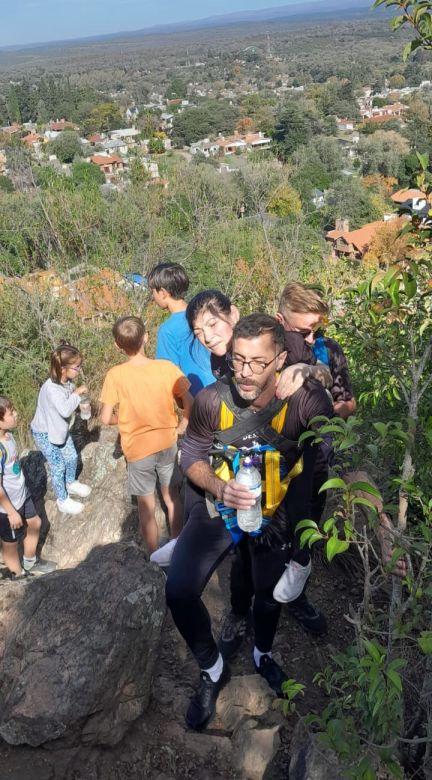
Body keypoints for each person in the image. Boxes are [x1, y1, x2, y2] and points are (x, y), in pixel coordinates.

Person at [166, 314, 333, 730]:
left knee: (268, 593)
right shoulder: (212, 400)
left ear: (280, 358)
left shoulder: (304, 399)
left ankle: (262, 653)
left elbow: (331, 446)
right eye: (239, 360)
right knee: (180, 590)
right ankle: (212, 667)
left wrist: (314, 371)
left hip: (274, 512)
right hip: (223, 505)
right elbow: (191, 455)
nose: (245, 372)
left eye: (258, 363)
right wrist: (217, 488)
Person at [186, 290, 330, 656]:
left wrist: (306, 370)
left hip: (299, 473)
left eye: (213, 324)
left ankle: (292, 598)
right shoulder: (224, 363)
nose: (208, 336)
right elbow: (198, 445)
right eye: (199, 331)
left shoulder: (273, 340)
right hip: (252, 477)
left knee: (297, 548)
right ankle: (238, 609)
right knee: (246, 557)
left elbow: (325, 377)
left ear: (233, 316)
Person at [99, 316, 193, 562]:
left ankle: (154, 557)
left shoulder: (115, 375)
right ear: (146, 338)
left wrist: (125, 419)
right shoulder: (165, 367)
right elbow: (189, 399)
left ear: (118, 346)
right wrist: (184, 422)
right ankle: (177, 547)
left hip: (137, 449)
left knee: (146, 505)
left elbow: (105, 417)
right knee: (172, 497)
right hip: (167, 442)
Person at [31, 344, 92, 516]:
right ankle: (62, 500)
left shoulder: (68, 382)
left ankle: (71, 483)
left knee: (72, 456)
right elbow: (65, 409)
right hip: (44, 432)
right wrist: (77, 394)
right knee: (57, 466)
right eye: (76, 367)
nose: (79, 370)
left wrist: (82, 403)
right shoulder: (51, 388)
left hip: (59, 429)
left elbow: (70, 403)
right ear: (63, 368)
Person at [0, 397, 56, 578]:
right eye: (10, 412)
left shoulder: (9, 436)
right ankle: (17, 576)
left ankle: (30, 562)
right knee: (10, 544)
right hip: (7, 507)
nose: (15, 414)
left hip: (22, 496)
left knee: (35, 523)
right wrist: (11, 512)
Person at [147, 263, 214, 396]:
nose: (152, 296)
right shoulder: (204, 314)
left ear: (162, 293)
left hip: (197, 398)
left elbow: (169, 374)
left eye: (152, 291)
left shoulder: (167, 330)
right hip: (222, 389)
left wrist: (183, 404)